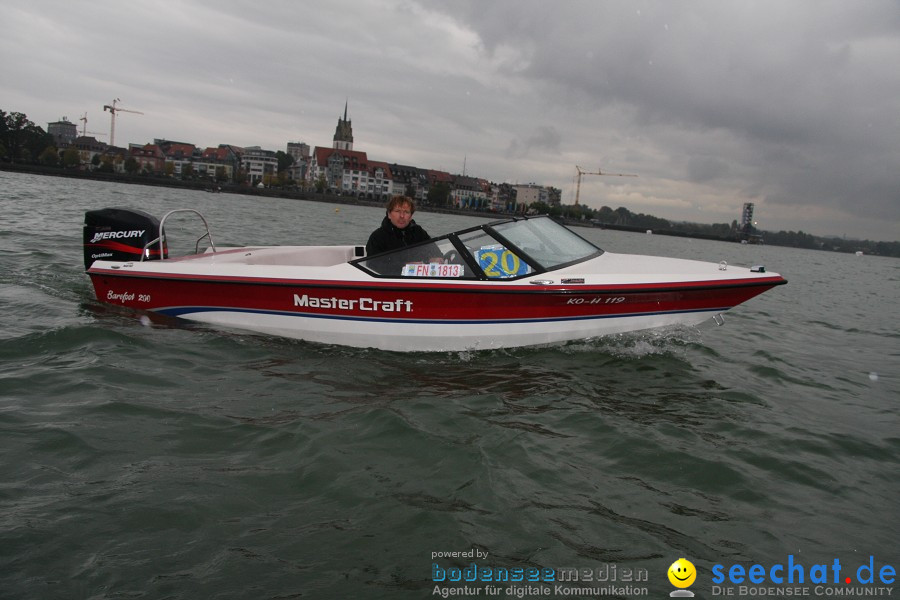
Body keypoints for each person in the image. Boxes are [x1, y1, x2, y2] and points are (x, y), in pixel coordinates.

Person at [366, 196, 431, 256]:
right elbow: (372, 264)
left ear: (411, 216)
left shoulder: (419, 232)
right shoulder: (377, 237)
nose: (402, 216)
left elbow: (435, 252)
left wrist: (435, 258)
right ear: (389, 214)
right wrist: (406, 264)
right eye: (397, 211)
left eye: (406, 212)